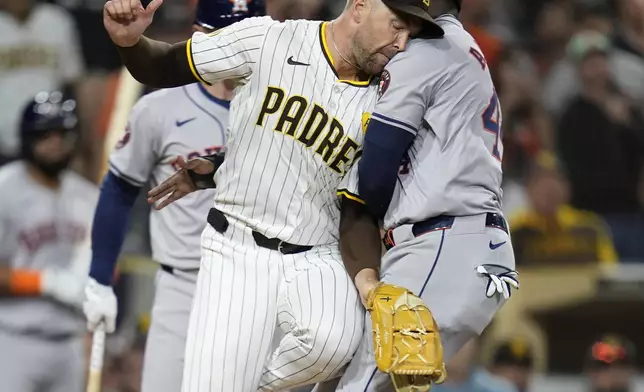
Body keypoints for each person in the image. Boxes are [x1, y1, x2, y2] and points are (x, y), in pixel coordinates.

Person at [90, 0, 445, 390]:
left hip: (316, 254)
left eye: (411, 33)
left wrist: (368, 281)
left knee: (335, 342)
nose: (402, 43)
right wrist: (129, 42)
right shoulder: (270, 39)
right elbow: (164, 63)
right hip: (237, 248)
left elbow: (356, 205)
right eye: (397, 25)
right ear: (359, 6)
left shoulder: (386, 100)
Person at [328, 0, 518, 389]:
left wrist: (354, 214)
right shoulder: (457, 44)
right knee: (342, 376)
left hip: (444, 241)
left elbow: (376, 172)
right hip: (464, 239)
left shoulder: (426, 49)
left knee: (362, 384)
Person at [82, 1, 263, 392]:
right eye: (224, 37)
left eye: (248, 38)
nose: (238, 49)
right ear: (197, 36)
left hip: (256, 287)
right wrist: (99, 278)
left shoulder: (280, 110)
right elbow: (119, 187)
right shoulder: (161, 107)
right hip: (182, 286)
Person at [0, 91, 98, 392]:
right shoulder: (5, 188)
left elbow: (106, 266)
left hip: (70, 342)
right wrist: (46, 282)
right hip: (13, 339)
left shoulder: (88, 196)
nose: (55, 142)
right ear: (27, 138)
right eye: (45, 134)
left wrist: (93, 283)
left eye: (62, 134)